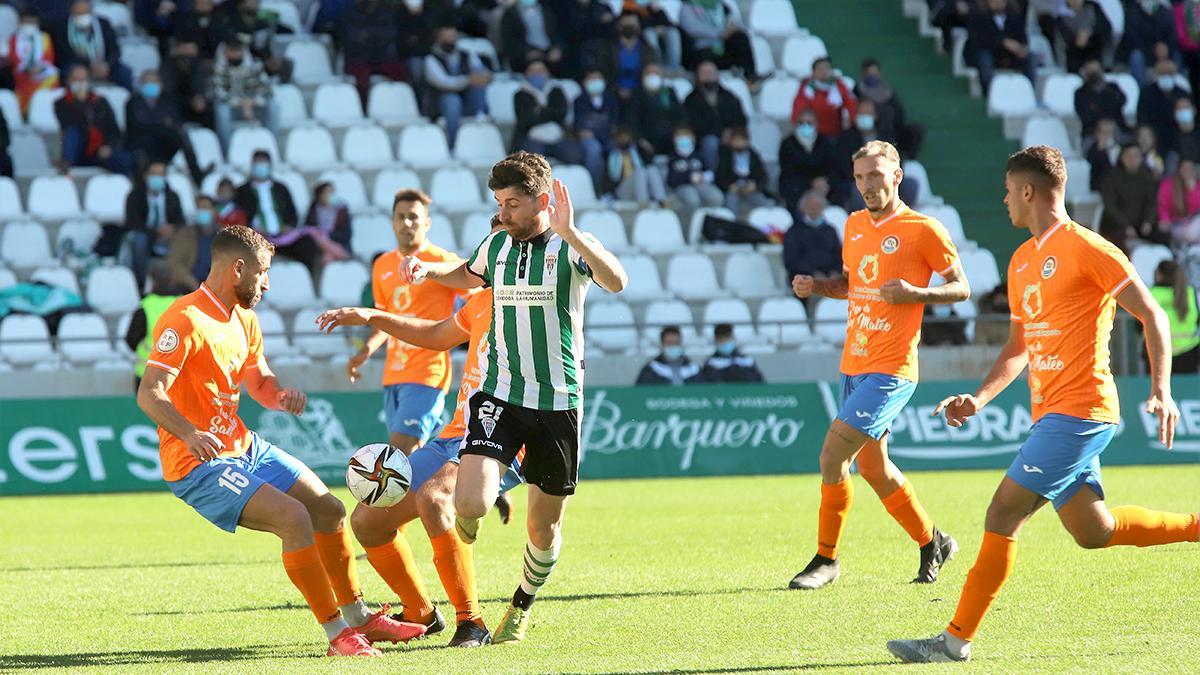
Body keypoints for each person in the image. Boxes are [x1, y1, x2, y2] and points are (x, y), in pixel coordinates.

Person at [886, 144, 1197, 664]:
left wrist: (1161, 391)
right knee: (1093, 531)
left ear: (1028, 191)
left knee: (1002, 511)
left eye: (1008, 190)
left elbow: (1154, 316)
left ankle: (953, 642)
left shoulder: (1088, 248)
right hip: (1051, 415)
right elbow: (1018, 348)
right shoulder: (1022, 261)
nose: (1003, 199)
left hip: (1082, 412)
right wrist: (980, 397)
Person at [135, 227, 427, 658]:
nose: (266, 283)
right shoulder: (185, 319)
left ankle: (359, 617)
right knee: (294, 519)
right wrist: (191, 434)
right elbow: (149, 392)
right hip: (197, 462)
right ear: (238, 268)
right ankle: (337, 636)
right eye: (263, 272)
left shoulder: (244, 319)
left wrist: (278, 396)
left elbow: (259, 382)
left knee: (329, 510)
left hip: (244, 446)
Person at [392, 152, 628, 643]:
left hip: (559, 404)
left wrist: (571, 231)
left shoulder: (570, 247)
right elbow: (468, 274)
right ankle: (476, 517)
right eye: (500, 202)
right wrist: (432, 274)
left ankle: (521, 604)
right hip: (500, 393)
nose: (504, 213)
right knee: (471, 502)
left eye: (514, 204)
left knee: (542, 532)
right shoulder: (498, 241)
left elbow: (617, 281)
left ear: (543, 200)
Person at [315, 216, 523, 649]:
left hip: (506, 431)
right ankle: (423, 613)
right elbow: (433, 335)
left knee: (434, 498)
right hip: (457, 434)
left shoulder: (536, 301)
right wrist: (373, 315)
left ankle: (472, 622)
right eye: (490, 249)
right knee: (367, 520)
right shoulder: (481, 302)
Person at [789, 140, 970, 591]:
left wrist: (917, 293)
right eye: (860, 177)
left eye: (876, 175)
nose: (868, 185)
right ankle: (934, 542)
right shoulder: (851, 225)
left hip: (892, 369)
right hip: (854, 363)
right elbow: (854, 284)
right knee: (874, 468)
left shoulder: (923, 229)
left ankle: (826, 560)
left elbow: (961, 288)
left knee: (832, 458)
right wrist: (817, 287)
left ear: (897, 175)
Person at [348, 189, 464, 456]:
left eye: (414, 217)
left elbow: (478, 294)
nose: (407, 223)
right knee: (422, 456)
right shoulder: (382, 266)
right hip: (394, 375)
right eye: (401, 217)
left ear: (427, 223)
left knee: (398, 457)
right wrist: (366, 350)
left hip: (427, 372)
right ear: (392, 221)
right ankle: (476, 480)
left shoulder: (441, 261)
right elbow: (383, 319)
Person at [234, 151, 311, 269]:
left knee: (308, 245)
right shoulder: (242, 191)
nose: (260, 166)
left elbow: (292, 213)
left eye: (263, 163)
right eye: (257, 163)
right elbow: (239, 216)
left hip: (284, 236)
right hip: (258, 237)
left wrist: (289, 225)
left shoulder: (281, 188)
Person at [126, 69, 206, 182]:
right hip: (142, 144)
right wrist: (163, 123)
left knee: (181, 135)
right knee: (140, 155)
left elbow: (175, 122)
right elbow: (138, 125)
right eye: (147, 82)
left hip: (163, 144)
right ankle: (141, 187)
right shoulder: (132, 102)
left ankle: (197, 175)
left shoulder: (168, 100)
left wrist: (160, 123)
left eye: (154, 82)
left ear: (161, 84)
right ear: (141, 85)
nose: (151, 85)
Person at [55, 64, 132, 175]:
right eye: (76, 80)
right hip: (79, 149)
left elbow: (113, 129)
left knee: (124, 159)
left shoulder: (101, 101)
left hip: (100, 150)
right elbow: (71, 124)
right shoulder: (61, 104)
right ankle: (65, 167)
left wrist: (108, 146)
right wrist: (80, 103)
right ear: (68, 81)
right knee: (72, 133)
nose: (80, 83)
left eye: (83, 79)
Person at [424, 25, 491, 149]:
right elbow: (444, 82)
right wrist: (467, 80)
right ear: (439, 39)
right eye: (447, 38)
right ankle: (453, 143)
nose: (451, 41)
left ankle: (480, 114)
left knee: (478, 70)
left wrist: (481, 77)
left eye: (453, 37)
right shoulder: (431, 59)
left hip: (467, 101)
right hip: (441, 104)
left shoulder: (467, 55)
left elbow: (483, 75)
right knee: (452, 99)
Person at [124, 261, 186, 393]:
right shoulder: (184, 305)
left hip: (147, 374)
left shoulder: (145, 307)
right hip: (178, 375)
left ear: (152, 282)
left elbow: (131, 340)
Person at [211, 39, 279, 154]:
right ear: (225, 52)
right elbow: (219, 93)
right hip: (232, 107)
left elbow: (268, 91)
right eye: (231, 51)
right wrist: (241, 103)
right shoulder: (218, 67)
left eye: (237, 51)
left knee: (274, 106)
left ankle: (272, 146)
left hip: (253, 106)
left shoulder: (255, 65)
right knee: (222, 111)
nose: (235, 55)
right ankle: (227, 152)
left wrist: (252, 102)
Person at [125, 161, 186, 289]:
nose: (157, 178)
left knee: (185, 237)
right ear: (146, 176)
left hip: (168, 237)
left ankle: (179, 284)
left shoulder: (172, 197)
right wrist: (156, 231)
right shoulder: (135, 196)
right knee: (139, 240)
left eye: (161, 174)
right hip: (147, 236)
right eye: (154, 174)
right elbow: (132, 223)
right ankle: (141, 285)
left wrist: (172, 229)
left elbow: (181, 222)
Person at [510, 61, 582, 163]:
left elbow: (561, 114)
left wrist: (539, 112)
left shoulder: (556, 91)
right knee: (533, 163)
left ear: (547, 73)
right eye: (533, 71)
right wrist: (549, 112)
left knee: (575, 155)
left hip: (557, 137)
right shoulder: (520, 95)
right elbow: (525, 120)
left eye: (540, 70)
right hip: (531, 139)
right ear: (526, 74)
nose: (537, 74)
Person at [682, 60, 746, 170]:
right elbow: (693, 124)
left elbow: (741, 119)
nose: (708, 76)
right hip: (704, 139)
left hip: (730, 137)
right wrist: (720, 133)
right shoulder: (691, 100)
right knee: (711, 142)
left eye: (711, 73)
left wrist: (731, 131)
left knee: (740, 141)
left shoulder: (729, 97)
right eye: (704, 73)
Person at [855, 57, 923, 159]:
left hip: (891, 131)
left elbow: (900, 114)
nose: (872, 76)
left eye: (874, 72)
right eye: (869, 73)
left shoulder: (888, 91)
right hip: (870, 132)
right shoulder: (857, 91)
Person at [53, 0, 130, 89]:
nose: (82, 17)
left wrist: (107, 65)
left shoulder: (103, 23)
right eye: (78, 14)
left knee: (124, 73)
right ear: (72, 12)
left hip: (104, 64)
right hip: (77, 64)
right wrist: (90, 65)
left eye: (85, 13)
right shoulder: (61, 27)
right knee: (68, 71)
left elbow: (115, 50)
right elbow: (64, 53)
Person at [1100, 143, 1163, 251]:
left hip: (1142, 224)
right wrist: (1126, 226)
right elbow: (1110, 205)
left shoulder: (1146, 176)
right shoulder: (1112, 176)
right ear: (1122, 158)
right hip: (1117, 224)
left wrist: (1148, 222)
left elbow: (1152, 202)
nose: (1132, 159)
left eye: (1136, 156)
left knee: (1162, 236)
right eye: (1128, 156)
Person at [342, 0, 405, 106]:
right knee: (362, 80)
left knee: (400, 72)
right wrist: (375, 36)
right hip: (358, 58)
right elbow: (352, 36)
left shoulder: (386, 12)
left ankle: (398, 104)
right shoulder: (350, 12)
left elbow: (389, 33)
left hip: (381, 57)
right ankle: (364, 108)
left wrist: (368, 34)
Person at [965, 0, 1037, 93]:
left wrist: (1022, 49)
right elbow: (977, 41)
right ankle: (989, 93)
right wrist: (1003, 42)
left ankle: (1029, 91)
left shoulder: (1015, 18)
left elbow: (1023, 38)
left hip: (1010, 57)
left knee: (1030, 57)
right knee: (984, 57)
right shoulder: (978, 17)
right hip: (987, 55)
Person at [676, 0, 757, 79]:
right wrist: (719, 34)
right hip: (701, 52)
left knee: (740, 38)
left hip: (722, 48)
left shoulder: (721, 7)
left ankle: (750, 78)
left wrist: (733, 29)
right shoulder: (688, 7)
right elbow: (692, 28)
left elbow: (737, 25)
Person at [1147, 259, 1200, 373]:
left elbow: (1139, 325)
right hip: (1189, 354)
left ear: (1159, 274)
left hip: (1157, 354)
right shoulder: (1191, 293)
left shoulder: (1151, 294)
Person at [779, 110, 836, 212]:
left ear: (816, 124)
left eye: (809, 123)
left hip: (823, 185)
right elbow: (788, 171)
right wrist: (811, 183)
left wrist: (825, 181)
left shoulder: (825, 142)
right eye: (802, 123)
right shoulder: (787, 144)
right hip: (798, 186)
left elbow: (833, 167)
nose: (806, 126)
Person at [574, 70, 621, 190]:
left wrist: (598, 132)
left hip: (607, 136)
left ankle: (615, 188)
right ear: (584, 83)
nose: (595, 81)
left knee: (617, 150)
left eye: (598, 78)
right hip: (589, 139)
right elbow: (580, 126)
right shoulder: (579, 101)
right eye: (591, 78)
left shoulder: (611, 99)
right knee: (594, 149)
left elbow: (614, 124)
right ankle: (593, 187)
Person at [597, 12, 660, 100]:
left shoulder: (648, 50)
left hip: (642, 94)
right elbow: (604, 74)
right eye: (626, 25)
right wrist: (617, 89)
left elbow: (653, 72)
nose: (629, 28)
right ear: (619, 26)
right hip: (613, 94)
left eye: (632, 25)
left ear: (638, 27)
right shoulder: (608, 50)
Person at [783, 190, 842, 282]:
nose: (814, 209)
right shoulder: (794, 232)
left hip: (831, 278)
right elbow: (791, 261)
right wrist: (812, 274)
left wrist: (835, 272)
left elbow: (839, 255)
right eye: (810, 206)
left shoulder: (830, 230)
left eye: (817, 206)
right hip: (805, 280)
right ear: (803, 208)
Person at [790, 57, 857, 137]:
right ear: (813, 73)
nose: (824, 72)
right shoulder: (807, 88)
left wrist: (856, 123)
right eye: (820, 69)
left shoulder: (838, 85)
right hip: (814, 135)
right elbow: (798, 113)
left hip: (836, 133)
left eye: (827, 68)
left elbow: (852, 106)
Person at [625, 62, 683, 157]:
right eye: (649, 73)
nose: (653, 76)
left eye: (656, 73)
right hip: (647, 139)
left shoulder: (669, 92)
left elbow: (680, 115)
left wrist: (679, 134)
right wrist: (640, 139)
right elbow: (632, 119)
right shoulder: (637, 95)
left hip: (671, 138)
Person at [9, 8, 59, 115]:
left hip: (40, 71)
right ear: (19, 23)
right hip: (22, 73)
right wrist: (28, 68)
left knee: (53, 76)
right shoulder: (14, 39)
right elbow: (14, 58)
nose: (29, 25)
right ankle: (25, 112)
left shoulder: (44, 38)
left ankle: (44, 111)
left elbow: (49, 58)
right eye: (26, 22)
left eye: (32, 22)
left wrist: (39, 68)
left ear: (37, 23)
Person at [666, 124, 723, 214]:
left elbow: (708, 172)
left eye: (686, 136)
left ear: (693, 138)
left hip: (701, 184)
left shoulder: (698, 156)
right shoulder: (673, 158)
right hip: (683, 187)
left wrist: (703, 177)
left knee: (716, 197)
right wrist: (689, 178)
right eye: (679, 137)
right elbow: (671, 180)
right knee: (692, 199)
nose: (683, 139)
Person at [1119, 0, 1178, 86]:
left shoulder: (1164, 12)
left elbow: (1171, 37)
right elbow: (1132, 41)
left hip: (1164, 55)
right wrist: (1153, 51)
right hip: (1144, 55)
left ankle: (1178, 90)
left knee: (1177, 55)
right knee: (1136, 56)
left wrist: (1166, 49)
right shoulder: (1132, 13)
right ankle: (1141, 91)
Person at [716, 126, 771, 216]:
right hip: (733, 189)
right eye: (736, 140)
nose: (739, 143)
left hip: (750, 189)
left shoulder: (754, 156)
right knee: (731, 203)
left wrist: (755, 186)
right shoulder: (725, 155)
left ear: (747, 141)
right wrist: (729, 186)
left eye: (741, 140)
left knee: (762, 202)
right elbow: (719, 176)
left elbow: (763, 176)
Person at [1137, 60, 1190, 154]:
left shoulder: (1182, 94)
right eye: (1163, 74)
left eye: (1170, 74)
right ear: (1157, 75)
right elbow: (1142, 118)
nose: (1166, 77)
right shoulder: (1147, 93)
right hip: (1154, 133)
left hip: (1176, 134)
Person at [500, 0, 564, 76]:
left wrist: (558, 48)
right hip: (525, 57)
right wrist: (526, 53)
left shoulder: (549, 9)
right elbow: (508, 41)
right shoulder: (510, 14)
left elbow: (560, 32)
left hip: (551, 55)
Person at [606, 125, 666, 204]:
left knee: (652, 169)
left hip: (641, 187)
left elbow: (649, 162)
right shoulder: (612, 156)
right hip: (622, 191)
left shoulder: (637, 153)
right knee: (639, 172)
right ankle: (643, 203)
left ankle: (662, 200)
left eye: (626, 137)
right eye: (621, 138)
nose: (624, 140)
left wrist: (648, 150)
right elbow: (612, 179)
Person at [161, 39, 214, 128]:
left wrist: (200, 98)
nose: (188, 52)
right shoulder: (168, 65)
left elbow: (202, 86)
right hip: (176, 103)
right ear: (178, 49)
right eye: (185, 48)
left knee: (208, 111)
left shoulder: (199, 65)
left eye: (191, 49)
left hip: (195, 104)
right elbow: (167, 90)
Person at [1074, 59, 1128, 142]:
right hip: (1092, 132)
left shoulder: (1113, 87)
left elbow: (1122, 101)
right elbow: (1086, 116)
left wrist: (1098, 107)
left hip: (1117, 128)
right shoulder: (1080, 93)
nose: (1095, 75)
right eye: (1092, 73)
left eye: (1097, 71)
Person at [620, 0, 682, 71]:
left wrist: (660, 24)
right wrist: (654, 28)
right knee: (649, 33)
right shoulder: (630, 8)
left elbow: (668, 23)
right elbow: (639, 24)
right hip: (642, 36)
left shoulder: (654, 8)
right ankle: (656, 65)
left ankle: (674, 67)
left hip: (656, 30)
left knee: (673, 32)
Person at [302, 182, 354, 266]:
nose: (332, 195)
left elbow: (346, 234)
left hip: (339, 243)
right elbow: (308, 229)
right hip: (319, 248)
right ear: (320, 196)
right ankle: (343, 255)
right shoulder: (313, 210)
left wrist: (328, 236)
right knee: (318, 238)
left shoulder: (342, 210)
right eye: (328, 192)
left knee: (327, 258)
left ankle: (340, 253)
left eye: (333, 192)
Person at [1057, 0, 1113, 74]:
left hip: (1097, 55)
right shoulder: (1060, 19)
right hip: (1076, 60)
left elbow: (1106, 28)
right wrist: (1077, 40)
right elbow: (1062, 46)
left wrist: (1090, 32)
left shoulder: (1093, 8)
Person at [636, 326, 705, 385]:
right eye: (670, 343)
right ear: (662, 344)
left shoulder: (693, 369)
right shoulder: (651, 369)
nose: (673, 346)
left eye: (677, 343)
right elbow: (641, 393)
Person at [1159, 158, 1200, 241]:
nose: (1188, 172)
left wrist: (1192, 190)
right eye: (1185, 169)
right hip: (1176, 225)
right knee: (1191, 235)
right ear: (1179, 170)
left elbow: (1195, 211)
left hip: (1194, 223)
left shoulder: (1197, 185)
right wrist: (1165, 219)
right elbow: (1163, 206)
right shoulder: (1168, 184)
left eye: (1190, 169)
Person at [1084, 117, 1120, 191]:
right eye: (1104, 133)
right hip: (1099, 185)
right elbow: (1090, 161)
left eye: (1109, 132)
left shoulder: (1117, 148)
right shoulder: (1094, 148)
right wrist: (1100, 149)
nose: (1107, 136)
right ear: (1097, 134)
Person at [1169, 97, 1200, 166]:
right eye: (1179, 108)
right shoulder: (1169, 137)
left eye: (1185, 107)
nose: (1182, 111)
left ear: (1194, 111)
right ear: (1175, 113)